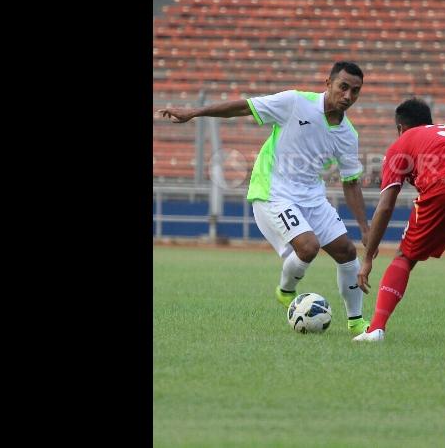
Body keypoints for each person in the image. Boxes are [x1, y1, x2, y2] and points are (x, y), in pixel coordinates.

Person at [156, 61, 373, 335]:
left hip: (312, 195)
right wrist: (194, 112)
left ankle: (356, 322)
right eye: (343, 87)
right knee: (308, 247)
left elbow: (351, 183)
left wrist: (365, 228)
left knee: (347, 252)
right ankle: (286, 291)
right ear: (327, 84)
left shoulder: (348, 135)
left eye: (355, 91)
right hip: (274, 191)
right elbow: (244, 107)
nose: (348, 96)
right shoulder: (295, 102)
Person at [352, 98, 445, 342]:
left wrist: (368, 257)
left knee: (405, 256)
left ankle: (376, 329)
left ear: (400, 128)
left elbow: (386, 205)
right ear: (430, 123)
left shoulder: (402, 143)